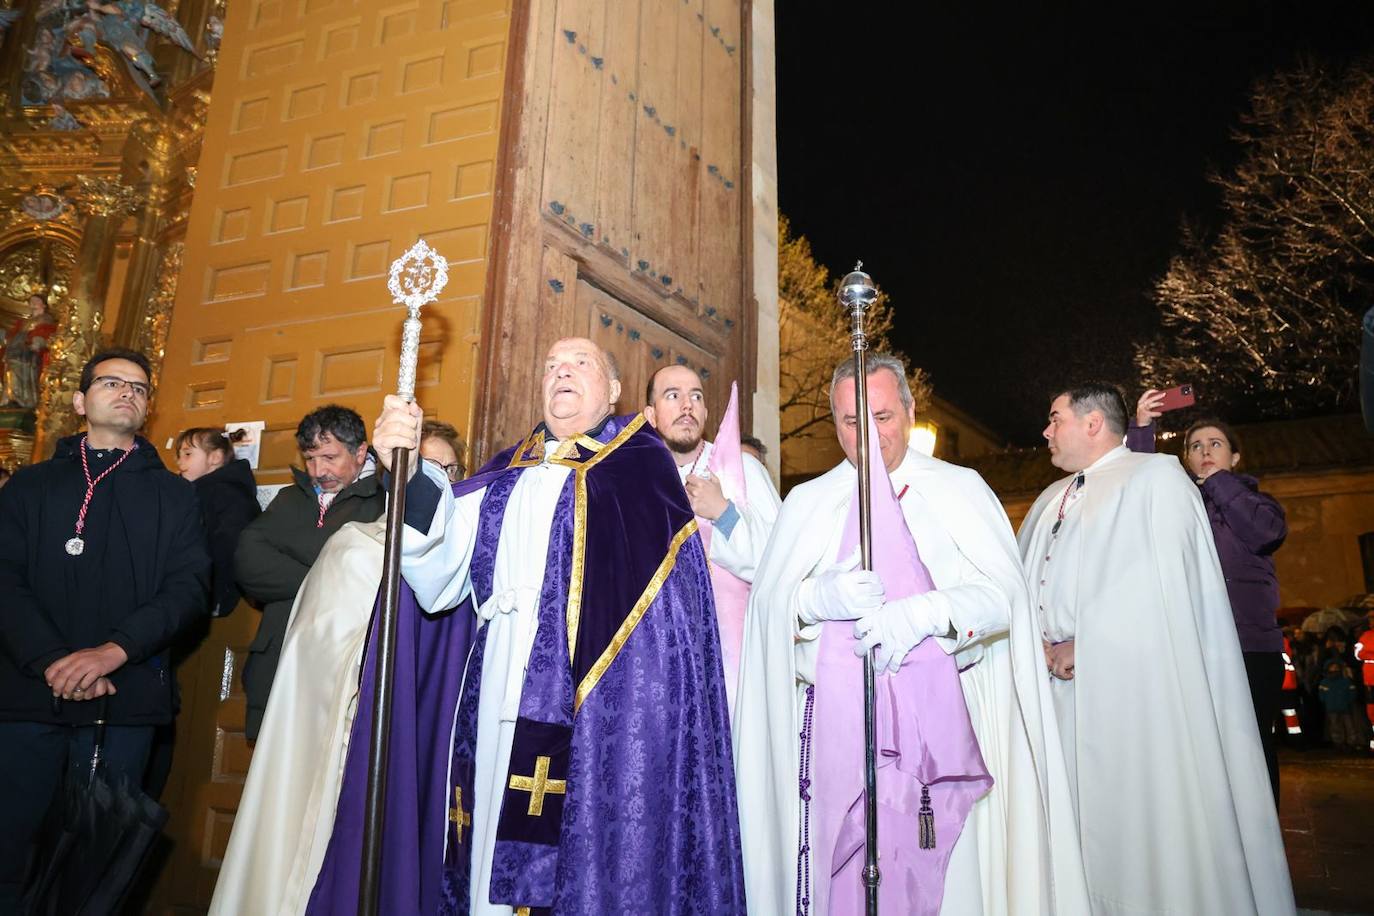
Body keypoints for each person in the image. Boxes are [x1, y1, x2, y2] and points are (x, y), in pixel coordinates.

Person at [308, 337, 744, 914]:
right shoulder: (505, 473)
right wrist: (405, 468)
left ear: (613, 391)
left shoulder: (641, 470)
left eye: (579, 364)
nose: (561, 373)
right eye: (551, 365)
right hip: (494, 693)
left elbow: (670, 633)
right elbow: (439, 561)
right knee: (488, 839)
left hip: (591, 718)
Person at [734, 353, 1087, 915]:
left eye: (883, 417)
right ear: (835, 424)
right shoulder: (808, 502)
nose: (869, 435)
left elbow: (1005, 595)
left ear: (910, 410)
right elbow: (771, 610)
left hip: (941, 723)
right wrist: (814, 597)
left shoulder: (958, 488)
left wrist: (928, 612)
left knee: (946, 881)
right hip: (837, 728)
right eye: (853, 422)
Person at [1018, 382, 1293, 915]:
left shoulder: (1157, 479)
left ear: (1093, 422)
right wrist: (1037, 643)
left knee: (1137, 828)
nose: (1046, 431)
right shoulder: (1051, 497)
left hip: (1137, 696)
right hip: (1057, 693)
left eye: (1055, 418)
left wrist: (1088, 641)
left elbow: (1165, 586)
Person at [0, 348, 210, 909]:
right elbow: (4, 578)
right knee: (10, 857)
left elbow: (188, 588)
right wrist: (51, 660)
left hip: (125, 700)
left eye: (139, 388)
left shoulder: (174, 495)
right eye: (112, 382)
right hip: (28, 695)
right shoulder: (29, 485)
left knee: (96, 870)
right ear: (79, 400)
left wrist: (113, 652)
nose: (127, 393)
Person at [209, 515, 387, 915]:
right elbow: (319, 638)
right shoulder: (353, 543)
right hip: (330, 719)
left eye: (451, 468)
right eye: (430, 467)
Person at [1129, 394, 1288, 801]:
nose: (1204, 451)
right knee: (1202, 752)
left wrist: (1217, 482)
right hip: (1196, 647)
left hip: (1253, 647)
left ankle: (1262, 844)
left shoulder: (1260, 504)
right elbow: (1138, 491)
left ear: (1236, 456)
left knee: (1254, 749)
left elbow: (1265, 533)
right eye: (1195, 446)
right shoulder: (1180, 506)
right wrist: (1142, 428)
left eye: (1215, 444)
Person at [235, 405, 385, 740]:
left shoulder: (382, 501)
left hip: (338, 672)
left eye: (330, 457)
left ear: (361, 452)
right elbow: (248, 561)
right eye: (310, 458)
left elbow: (364, 578)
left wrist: (292, 552)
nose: (319, 470)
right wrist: (324, 572)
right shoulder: (289, 499)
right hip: (276, 666)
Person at [642, 364, 780, 712]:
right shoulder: (635, 481)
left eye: (696, 397)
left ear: (705, 411)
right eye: (672, 395)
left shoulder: (742, 471)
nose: (686, 405)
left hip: (730, 665)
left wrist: (723, 512)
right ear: (651, 414)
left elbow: (781, 562)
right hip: (656, 665)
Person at [176, 427, 261, 617]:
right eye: (179, 456)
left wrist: (214, 593)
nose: (180, 463)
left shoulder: (226, 493)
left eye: (188, 454)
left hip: (209, 592)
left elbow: (230, 546)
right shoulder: (193, 492)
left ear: (215, 458)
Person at [0, 293, 57, 408]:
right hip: (16, 349)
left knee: (16, 364)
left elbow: (47, 333)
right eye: (31, 301)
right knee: (9, 365)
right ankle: (10, 396)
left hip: (30, 352)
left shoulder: (45, 319)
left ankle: (22, 399)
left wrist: (37, 342)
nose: (33, 303)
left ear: (44, 305)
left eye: (36, 301)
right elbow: (12, 335)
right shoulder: (24, 321)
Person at [1318, 660, 1363, 751]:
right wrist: (1326, 701)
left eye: (1336, 667)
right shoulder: (1325, 682)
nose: (1335, 669)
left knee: (1349, 726)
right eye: (1332, 667)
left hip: (1345, 707)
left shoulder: (1346, 681)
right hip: (1332, 708)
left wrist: (1348, 701)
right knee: (1335, 726)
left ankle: (1352, 743)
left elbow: (1352, 692)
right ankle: (1338, 743)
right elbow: (1321, 695)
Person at [1354, 614, 1374, 751]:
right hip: (1370, 678)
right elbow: (1358, 654)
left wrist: (1369, 652)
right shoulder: (1366, 635)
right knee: (1372, 709)